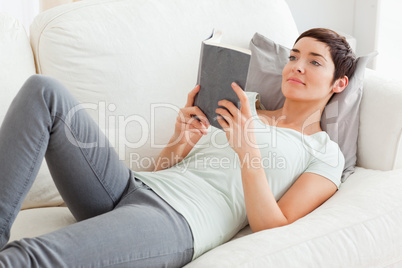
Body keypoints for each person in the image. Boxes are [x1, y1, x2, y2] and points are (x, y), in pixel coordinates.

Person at [0, 28, 356, 267]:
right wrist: (181, 139)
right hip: (131, 186)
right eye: (293, 57)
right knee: (44, 91)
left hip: (176, 220)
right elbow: (160, 171)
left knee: (28, 256)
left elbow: (273, 226)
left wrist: (248, 151)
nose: (297, 66)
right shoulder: (242, 102)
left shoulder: (324, 152)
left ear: (339, 83)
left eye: (313, 61)